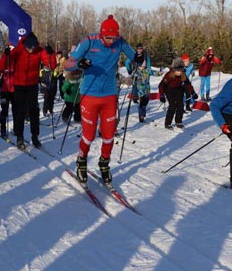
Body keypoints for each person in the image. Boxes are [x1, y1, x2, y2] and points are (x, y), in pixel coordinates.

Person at [64, 15, 136, 185]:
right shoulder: (89, 41)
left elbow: (136, 57)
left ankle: (104, 163)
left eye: (113, 37)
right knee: (88, 136)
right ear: (102, 34)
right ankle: (81, 161)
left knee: (109, 135)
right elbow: (68, 64)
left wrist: (139, 60)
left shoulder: (120, 42)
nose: (110, 41)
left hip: (110, 95)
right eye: (107, 37)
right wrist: (79, 64)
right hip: (89, 95)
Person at [9, 32, 55, 149]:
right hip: (19, 85)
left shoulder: (39, 51)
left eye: (33, 47)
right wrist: (6, 55)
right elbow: (5, 63)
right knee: (20, 111)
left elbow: (51, 65)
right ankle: (19, 136)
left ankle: (35, 136)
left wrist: (51, 54)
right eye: (29, 47)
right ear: (25, 45)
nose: (31, 50)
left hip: (32, 85)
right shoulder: (18, 50)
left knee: (34, 111)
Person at [158, 58, 197, 129]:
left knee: (180, 105)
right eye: (177, 70)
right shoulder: (169, 75)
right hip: (169, 89)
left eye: (180, 70)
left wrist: (193, 92)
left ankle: (178, 121)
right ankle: (168, 123)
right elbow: (161, 85)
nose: (179, 72)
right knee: (172, 106)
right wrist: (161, 95)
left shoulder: (183, 75)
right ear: (174, 69)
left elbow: (188, 84)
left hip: (178, 89)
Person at [125, 43, 152, 123]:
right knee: (136, 87)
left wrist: (149, 71)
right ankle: (135, 97)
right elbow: (127, 62)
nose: (139, 50)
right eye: (138, 49)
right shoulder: (134, 55)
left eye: (141, 48)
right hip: (136, 72)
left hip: (144, 73)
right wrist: (129, 70)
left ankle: (142, 109)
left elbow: (149, 63)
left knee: (145, 94)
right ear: (136, 49)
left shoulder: (145, 55)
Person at [0, 46, 15, 138]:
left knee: (16, 110)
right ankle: (3, 128)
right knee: (4, 110)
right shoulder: (2, 60)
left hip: (15, 89)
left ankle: (17, 128)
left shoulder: (17, 60)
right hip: (4, 90)